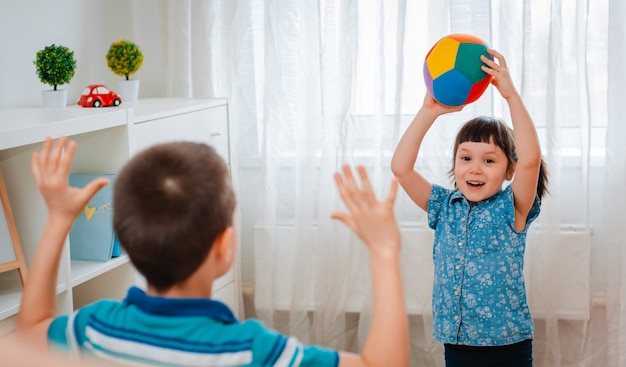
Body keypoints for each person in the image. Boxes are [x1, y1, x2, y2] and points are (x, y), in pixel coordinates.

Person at [16, 136, 409, 367]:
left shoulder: (94, 328)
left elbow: (30, 329)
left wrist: (58, 219)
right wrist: (385, 251)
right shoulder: (254, 351)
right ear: (224, 246)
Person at [391, 49, 548, 367]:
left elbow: (530, 158)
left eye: (489, 160)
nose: (475, 169)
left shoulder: (511, 208)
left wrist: (511, 96)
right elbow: (401, 169)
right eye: (466, 158)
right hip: (458, 341)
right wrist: (427, 112)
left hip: (508, 345)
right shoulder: (444, 206)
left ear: (509, 170)